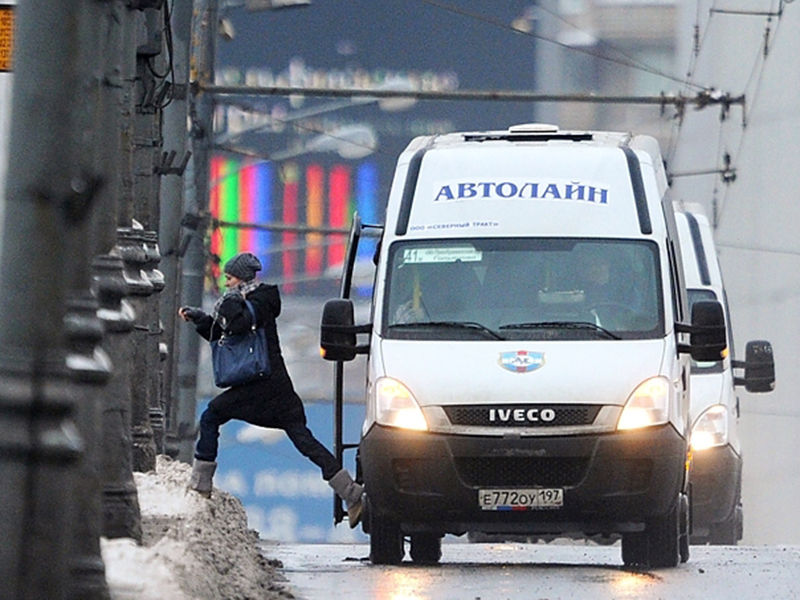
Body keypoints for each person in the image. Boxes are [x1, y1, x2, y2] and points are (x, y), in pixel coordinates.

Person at [178, 252, 363, 527]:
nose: (226, 284)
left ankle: (200, 487)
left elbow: (240, 324)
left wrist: (229, 304)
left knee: (212, 414)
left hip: (263, 385)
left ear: (242, 278)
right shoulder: (243, 302)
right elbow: (226, 336)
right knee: (304, 441)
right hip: (274, 387)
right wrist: (201, 320)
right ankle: (351, 492)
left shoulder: (261, 300)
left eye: (229, 278)